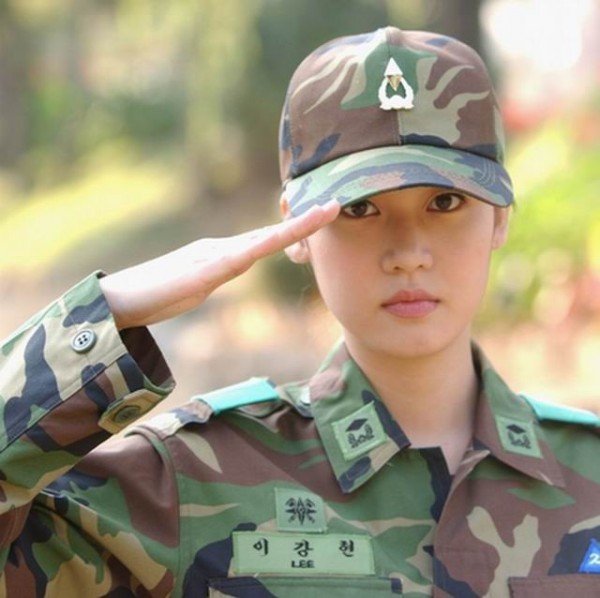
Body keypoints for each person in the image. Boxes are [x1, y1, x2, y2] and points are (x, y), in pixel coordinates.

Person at [0, 26, 598, 598]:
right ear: (296, 230)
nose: (408, 253)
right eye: (361, 208)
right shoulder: (192, 479)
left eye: (446, 201)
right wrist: (110, 310)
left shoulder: (588, 472)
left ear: (500, 216)